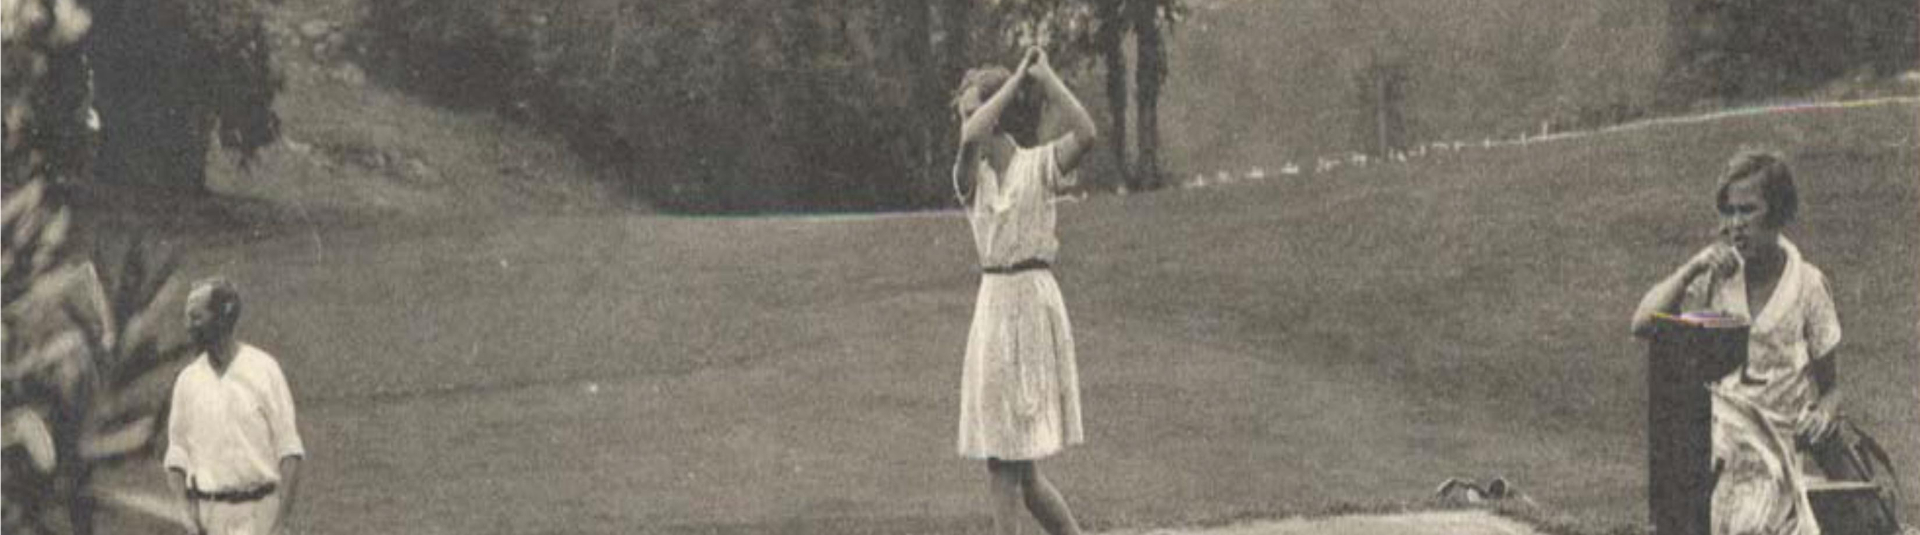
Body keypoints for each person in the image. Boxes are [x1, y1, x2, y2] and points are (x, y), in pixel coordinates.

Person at [1629, 150, 1846, 535]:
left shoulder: (1808, 285)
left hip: (1777, 467)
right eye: (1728, 212)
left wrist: (1824, 414)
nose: (1736, 225)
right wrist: (1694, 266)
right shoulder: (1718, 278)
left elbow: (1831, 388)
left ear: (1778, 213)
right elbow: (1643, 322)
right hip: (1718, 464)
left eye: (1748, 211)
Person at [950, 45, 1098, 535]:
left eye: (974, 109)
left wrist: (1046, 75)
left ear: (997, 116)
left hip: (1033, 306)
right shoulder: (970, 174)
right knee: (1012, 464)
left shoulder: (1038, 165)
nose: (967, 123)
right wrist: (1016, 79)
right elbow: (972, 134)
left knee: (1012, 465)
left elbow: (1086, 133)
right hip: (995, 309)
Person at [164, 278, 305, 535]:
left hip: (260, 516)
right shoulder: (187, 381)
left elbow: (290, 451)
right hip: (208, 519)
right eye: (187, 318)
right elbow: (177, 455)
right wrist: (184, 514)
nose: (188, 327)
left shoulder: (264, 370)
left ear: (222, 318)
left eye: (196, 318)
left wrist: (280, 524)